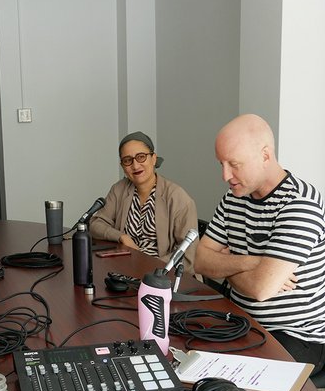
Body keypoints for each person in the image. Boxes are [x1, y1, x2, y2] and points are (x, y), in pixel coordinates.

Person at [195, 114, 325, 374]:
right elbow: (200, 261)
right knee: (188, 357)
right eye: (221, 164)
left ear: (265, 155)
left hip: (297, 335)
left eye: (234, 164)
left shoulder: (300, 203)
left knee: (231, 377)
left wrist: (226, 266)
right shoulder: (234, 198)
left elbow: (261, 289)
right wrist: (253, 262)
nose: (225, 175)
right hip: (242, 321)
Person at [90, 131, 198, 273]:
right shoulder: (119, 189)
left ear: (153, 158)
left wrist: (148, 266)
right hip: (124, 270)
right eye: (128, 160)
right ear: (122, 165)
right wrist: (122, 237)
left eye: (141, 157)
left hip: (161, 276)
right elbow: (95, 224)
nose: (135, 166)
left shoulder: (178, 198)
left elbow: (188, 256)